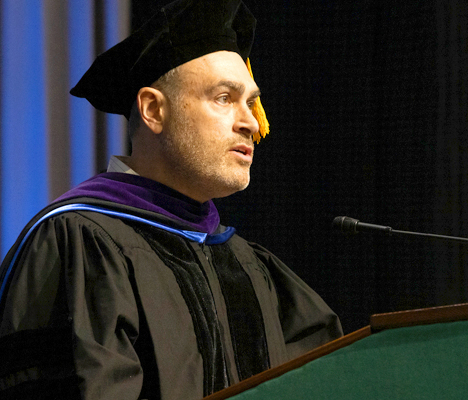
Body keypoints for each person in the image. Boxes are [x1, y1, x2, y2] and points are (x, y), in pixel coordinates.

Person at [0, 0, 343, 398]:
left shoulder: (251, 267)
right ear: (152, 110)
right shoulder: (79, 242)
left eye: (250, 102)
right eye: (223, 98)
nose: (250, 121)